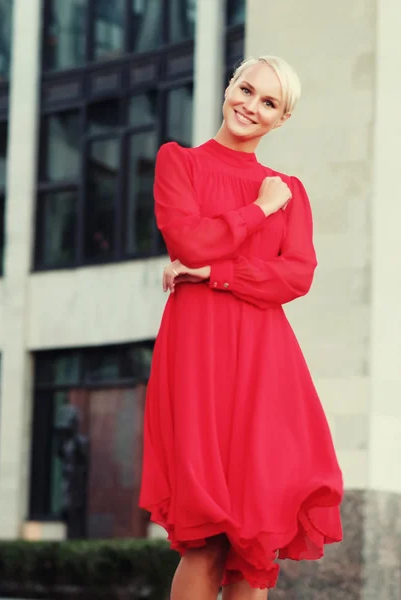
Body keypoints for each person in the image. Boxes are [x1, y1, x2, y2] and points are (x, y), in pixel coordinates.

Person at [139, 55, 343, 599]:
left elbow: (297, 276)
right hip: (197, 357)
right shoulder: (178, 162)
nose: (251, 106)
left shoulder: (290, 190)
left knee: (254, 542)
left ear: (282, 119)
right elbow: (189, 243)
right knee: (205, 538)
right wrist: (256, 211)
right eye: (246, 89)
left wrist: (216, 273)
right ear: (229, 86)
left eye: (269, 102)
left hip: (264, 364)